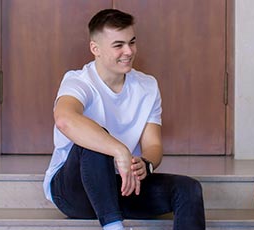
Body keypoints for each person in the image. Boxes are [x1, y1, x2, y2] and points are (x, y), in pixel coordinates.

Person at [43, 9, 206, 230]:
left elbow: (153, 145)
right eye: (118, 45)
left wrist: (146, 163)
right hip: (74, 191)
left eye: (132, 42)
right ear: (95, 49)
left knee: (188, 188)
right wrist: (119, 149)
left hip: (123, 185)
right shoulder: (78, 81)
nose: (128, 51)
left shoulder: (147, 86)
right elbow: (64, 119)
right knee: (95, 141)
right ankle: (113, 227)